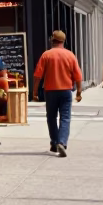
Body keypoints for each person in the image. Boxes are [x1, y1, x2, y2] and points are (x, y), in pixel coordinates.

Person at [30, 29, 83, 158]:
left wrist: (35, 91)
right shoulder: (70, 55)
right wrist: (79, 92)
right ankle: (62, 142)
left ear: (52, 40)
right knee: (65, 117)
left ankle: (54, 143)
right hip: (66, 90)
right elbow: (78, 76)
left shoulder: (46, 55)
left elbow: (37, 75)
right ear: (63, 41)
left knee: (51, 117)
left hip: (50, 91)